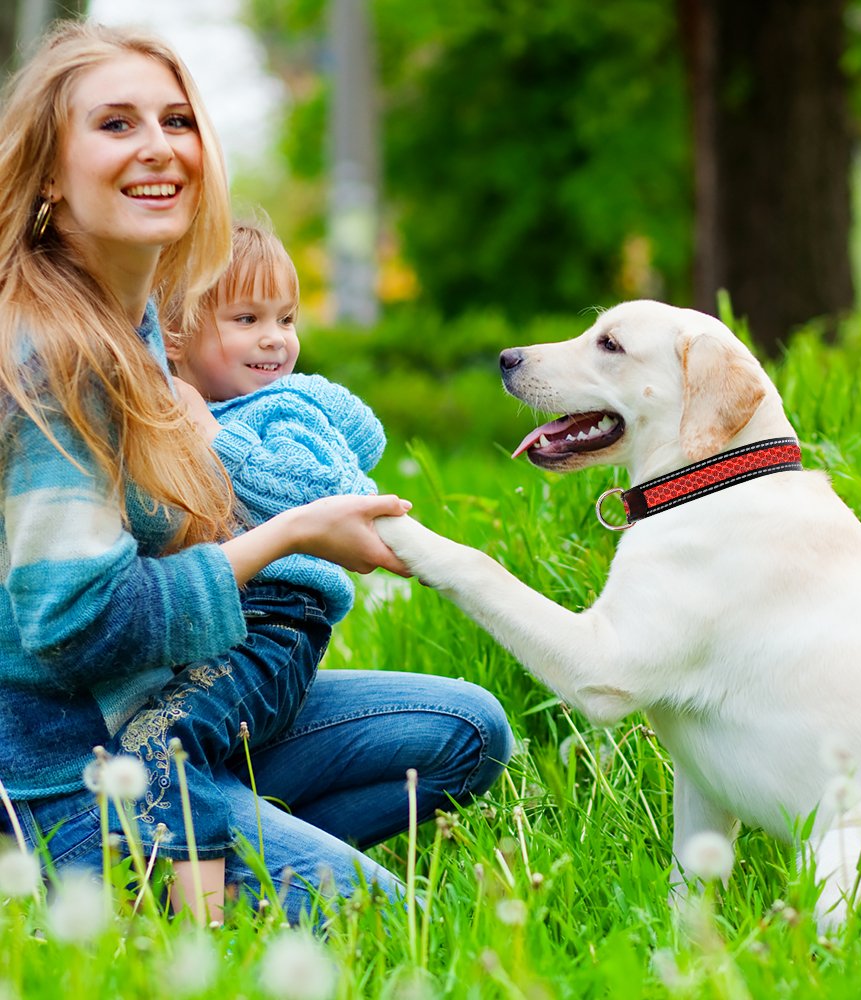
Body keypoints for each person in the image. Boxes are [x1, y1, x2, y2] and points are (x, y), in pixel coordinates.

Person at [0, 20, 512, 923]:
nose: (158, 147)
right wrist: (293, 534)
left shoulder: (135, 324)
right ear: (48, 172)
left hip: (167, 715)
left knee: (467, 730)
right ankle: (148, 873)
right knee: (387, 927)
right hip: (82, 772)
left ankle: (226, 841)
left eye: (177, 120)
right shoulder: (55, 354)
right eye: (115, 124)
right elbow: (76, 627)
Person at [110, 219, 392, 915]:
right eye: (247, 319)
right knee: (173, 739)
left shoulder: (284, 410)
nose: (275, 339)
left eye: (286, 319)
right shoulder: (165, 406)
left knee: (164, 745)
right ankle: (248, 855)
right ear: (174, 335)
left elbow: (333, 500)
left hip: (271, 626)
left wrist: (216, 440)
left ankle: (199, 922)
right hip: (202, 627)